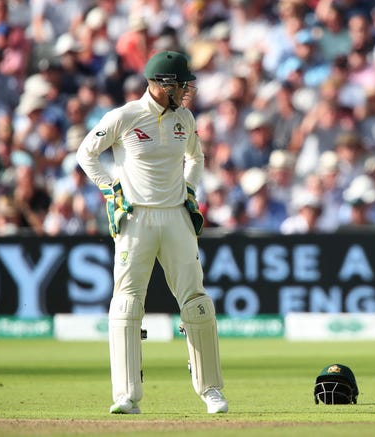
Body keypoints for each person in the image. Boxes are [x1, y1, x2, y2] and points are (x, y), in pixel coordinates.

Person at [76, 51, 228, 415]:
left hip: (176, 216)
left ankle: (211, 391)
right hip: (136, 218)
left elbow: (196, 157)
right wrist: (111, 188)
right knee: (127, 303)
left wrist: (190, 189)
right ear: (163, 85)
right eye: (181, 84)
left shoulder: (185, 119)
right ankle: (126, 396)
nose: (187, 90)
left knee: (196, 301)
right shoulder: (126, 116)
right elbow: (86, 153)